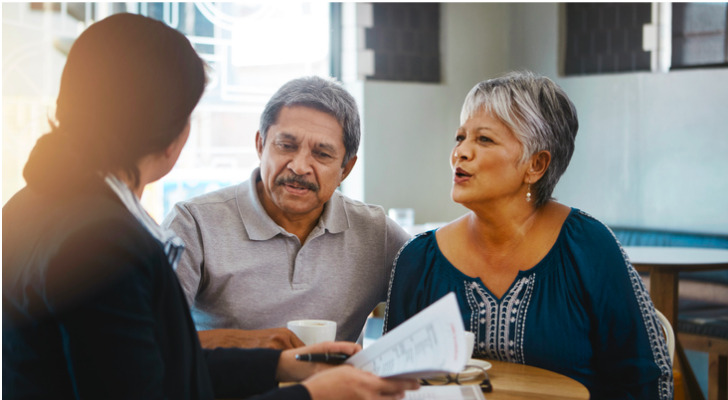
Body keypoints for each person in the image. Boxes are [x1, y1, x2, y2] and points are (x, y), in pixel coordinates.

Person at [2, 13, 417, 400]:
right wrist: (313, 394)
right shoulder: (104, 243)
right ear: (170, 135)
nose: (299, 166)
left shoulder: (30, 205)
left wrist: (281, 364)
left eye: (322, 154)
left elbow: (157, 369)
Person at [384, 71, 673, 399]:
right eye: (460, 137)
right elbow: (389, 384)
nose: (460, 153)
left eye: (484, 139)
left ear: (536, 165)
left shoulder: (589, 248)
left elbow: (644, 379)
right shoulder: (419, 260)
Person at [163, 76, 411, 348]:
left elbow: (442, 298)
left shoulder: (377, 234)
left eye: (322, 154)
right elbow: (152, 339)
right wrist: (247, 343)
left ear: (346, 169)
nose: (300, 166)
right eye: (287, 146)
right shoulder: (193, 223)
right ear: (260, 145)